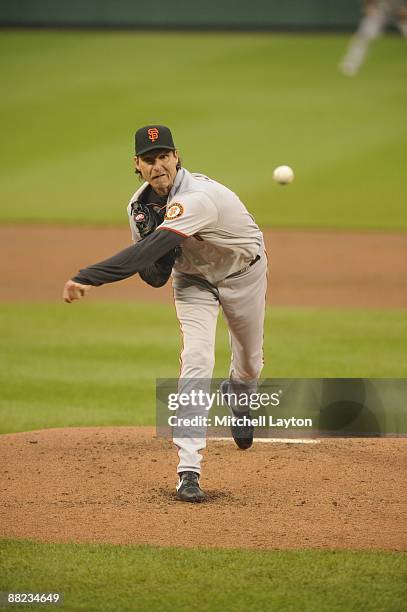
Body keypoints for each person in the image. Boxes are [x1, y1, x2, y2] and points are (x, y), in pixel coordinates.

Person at [63, 125, 268, 503]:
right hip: (194, 283)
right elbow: (155, 275)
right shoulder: (138, 209)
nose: (158, 165)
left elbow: (144, 252)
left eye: (164, 156)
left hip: (244, 275)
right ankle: (188, 469)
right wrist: (163, 253)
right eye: (149, 159)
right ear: (136, 165)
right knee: (196, 358)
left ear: (176, 157)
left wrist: (88, 276)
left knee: (250, 364)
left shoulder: (198, 196)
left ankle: (239, 395)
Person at [339, 0, 407, 76]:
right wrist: (368, 6)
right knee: (364, 36)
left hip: (401, 10)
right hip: (380, 10)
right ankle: (351, 62)